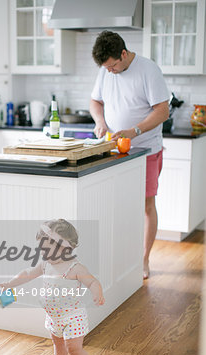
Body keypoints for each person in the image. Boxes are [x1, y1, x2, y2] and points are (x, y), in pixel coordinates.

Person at [90, 31, 170, 279]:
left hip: (146, 149)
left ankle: (143, 259)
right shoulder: (105, 71)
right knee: (118, 205)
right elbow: (95, 101)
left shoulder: (149, 70)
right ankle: (121, 256)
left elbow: (163, 111)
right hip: (115, 149)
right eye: (106, 68)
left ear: (123, 54)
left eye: (113, 66)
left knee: (146, 205)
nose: (110, 72)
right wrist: (100, 121)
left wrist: (134, 131)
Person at [0, 219, 105, 355]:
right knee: (58, 342)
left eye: (48, 250)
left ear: (67, 247)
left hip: (72, 317)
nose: (44, 253)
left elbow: (92, 282)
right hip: (54, 317)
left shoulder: (75, 268)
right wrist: (10, 284)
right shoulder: (46, 264)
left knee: (74, 348)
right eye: (42, 249)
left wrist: (97, 292)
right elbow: (27, 273)